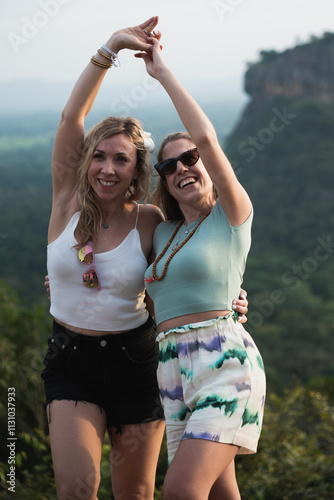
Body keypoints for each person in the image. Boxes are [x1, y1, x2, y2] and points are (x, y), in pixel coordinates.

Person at [41, 17, 249, 500]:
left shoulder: (152, 221)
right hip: (71, 359)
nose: (107, 168)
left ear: (137, 170)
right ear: (86, 160)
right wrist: (110, 48)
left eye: (122, 160)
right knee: (77, 487)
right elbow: (70, 121)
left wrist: (231, 297)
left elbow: (181, 272)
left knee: (135, 494)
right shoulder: (65, 203)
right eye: (99, 156)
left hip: (141, 360)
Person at [139, 35, 266, 499]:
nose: (180, 169)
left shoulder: (231, 216)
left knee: (180, 492)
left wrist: (161, 73)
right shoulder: (160, 232)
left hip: (225, 364)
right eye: (168, 167)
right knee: (218, 494)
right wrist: (71, 274)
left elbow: (209, 138)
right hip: (172, 371)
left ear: (207, 165)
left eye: (189, 159)